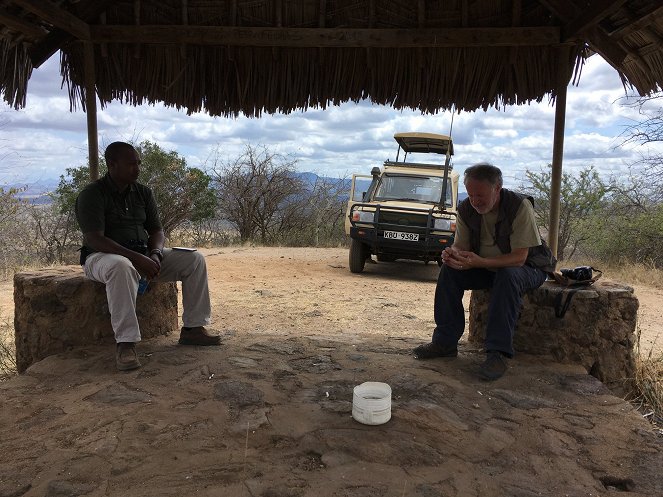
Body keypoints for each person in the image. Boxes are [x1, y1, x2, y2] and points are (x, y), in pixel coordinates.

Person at [75, 141, 220, 371]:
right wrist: (136, 258)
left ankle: (193, 329)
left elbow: (157, 231)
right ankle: (126, 344)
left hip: (142, 254)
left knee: (194, 259)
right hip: (101, 258)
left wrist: (155, 253)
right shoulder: (92, 194)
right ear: (112, 165)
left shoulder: (143, 193)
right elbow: (94, 238)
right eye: (131, 163)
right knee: (121, 266)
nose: (138, 168)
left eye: (138, 163)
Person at [413, 163, 556, 380]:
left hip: (529, 267)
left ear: (497, 188)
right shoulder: (466, 208)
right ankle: (444, 342)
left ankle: (497, 353)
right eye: (470, 194)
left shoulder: (519, 206)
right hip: (486, 265)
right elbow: (462, 245)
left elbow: (519, 258)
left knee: (508, 276)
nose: (474, 200)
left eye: (480, 195)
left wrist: (480, 262)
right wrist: (452, 254)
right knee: (449, 272)